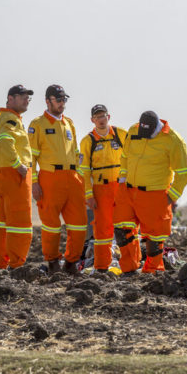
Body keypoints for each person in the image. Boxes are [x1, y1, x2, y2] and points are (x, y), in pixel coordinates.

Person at [114, 110, 187, 274]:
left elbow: (184, 173)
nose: (145, 136)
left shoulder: (173, 140)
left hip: (155, 194)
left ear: (157, 127)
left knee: (154, 238)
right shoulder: (134, 131)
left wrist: (172, 196)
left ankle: (152, 272)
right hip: (128, 190)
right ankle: (129, 269)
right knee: (122, 230)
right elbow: (125, 156)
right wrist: (122, 179)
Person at [29, 84, 86, 275]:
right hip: (50, 178)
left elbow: (76, 152)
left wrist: (80, 176)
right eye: (58, 99)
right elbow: (31, 158)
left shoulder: (69, 123)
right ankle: (53, 262)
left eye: (64, 100)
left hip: (72, 177)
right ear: (48, 101)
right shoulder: (37, 124)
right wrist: (34, 183)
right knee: (51, 225)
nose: (62, 103)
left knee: (79, 224)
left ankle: (71, 263)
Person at [0, 84, 35, 270]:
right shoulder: (11, 119)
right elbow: (5, 140)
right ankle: (17, 264)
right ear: (10, 99)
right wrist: (16, 164)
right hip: (15, 175)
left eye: (28, 96)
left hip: (1, 174)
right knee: (20, 222)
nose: (27, 99)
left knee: (3, 222)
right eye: (22, 96)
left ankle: (1, 262)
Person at [79, 104, 127, 272]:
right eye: (97, 117)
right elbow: (83, 171)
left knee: (126, 226)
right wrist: (88, 194)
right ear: (92, 120)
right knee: (102, 229)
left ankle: (130, 265)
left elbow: (132, 157)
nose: (101, 120)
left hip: (121, 189)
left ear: (109, 116)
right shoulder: (87, 141)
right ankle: (101, 267)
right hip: (100, 189)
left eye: (103, 116)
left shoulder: (121, 135)